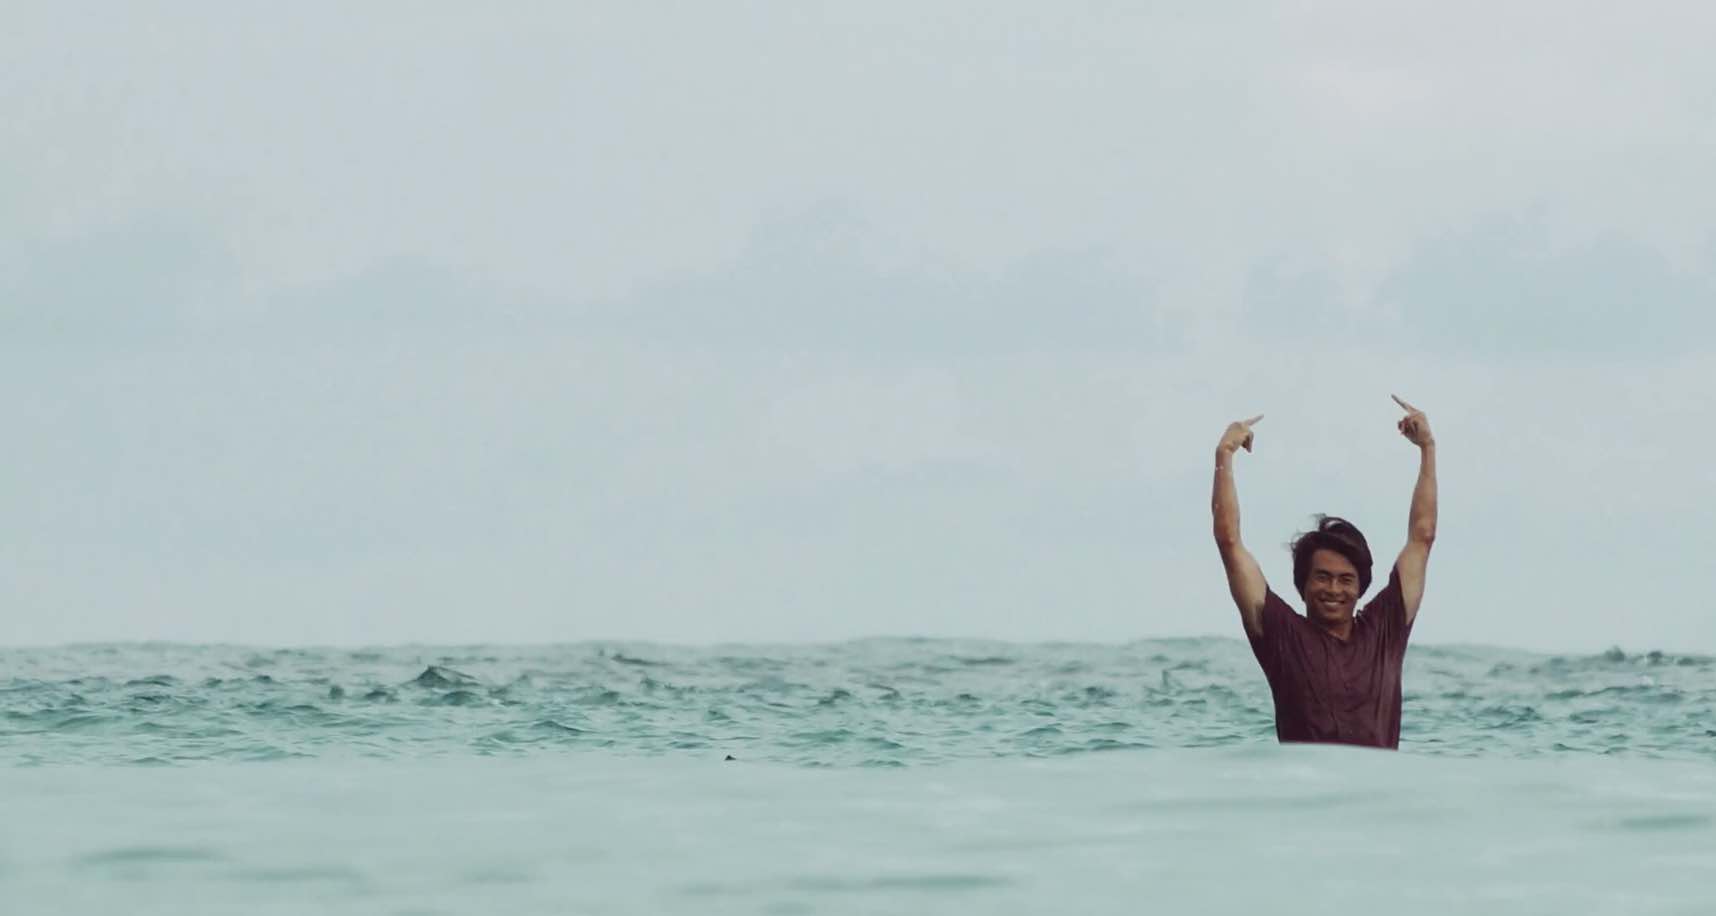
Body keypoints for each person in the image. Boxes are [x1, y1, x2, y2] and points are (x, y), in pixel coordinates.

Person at [1210, 395, 1437, 749]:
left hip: (1381, 784)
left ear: (1360, 587)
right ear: (1302, 584)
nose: (1334, 589)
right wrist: (1224, 455)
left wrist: (1427, 449)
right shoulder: (1281, 635)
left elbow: (1422, 538)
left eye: (1346, 580)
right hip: (1306, 784)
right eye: (1322, 577)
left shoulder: (1386, 628)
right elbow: (1229, 543)